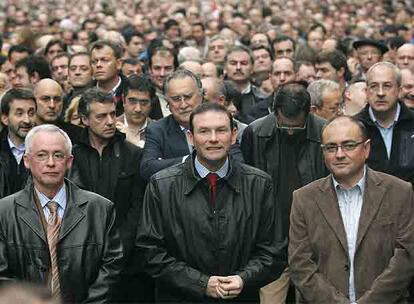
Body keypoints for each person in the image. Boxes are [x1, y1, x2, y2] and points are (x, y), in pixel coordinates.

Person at [136, 102, 285, 303]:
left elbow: (273, 251)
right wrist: (201, 284)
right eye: (204, 131)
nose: (213, 139)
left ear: (233, 135)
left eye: (221, 131)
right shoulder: (162, 185)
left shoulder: (259, 184)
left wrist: (243, 279)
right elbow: (150, 252)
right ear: (191, 137)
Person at [289, 115, 414, 303]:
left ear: (366, 148)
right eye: (331, 147)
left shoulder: (400, 192)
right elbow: (300, 264)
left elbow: (406, 257)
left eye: (348, 145)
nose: (339, 154)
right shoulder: (304, 199)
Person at [0, 124, 123, 303]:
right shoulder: (4, 212)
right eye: (41, 155)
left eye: (58, 155)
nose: (51, 163)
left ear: (69, 161)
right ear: (27, 160)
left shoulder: (100, 209)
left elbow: (111, 270)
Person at [242, 82, 328, 303]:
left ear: (308, 114)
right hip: (271, 241)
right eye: (284, 125)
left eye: (296, 127)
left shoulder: (324, 133)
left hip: (314, 240)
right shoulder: (256, 132)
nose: (290, 131)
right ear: (275, 111)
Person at [68, 87, 149, 302]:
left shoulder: (133, 154)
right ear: (85, 120)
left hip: (127, 260)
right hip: (82, 256)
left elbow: (138, 205)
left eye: (113, 114)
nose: (111, 121)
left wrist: (120, 245)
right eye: (101, 116)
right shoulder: (71, 156)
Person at [140, 69, 243, 181]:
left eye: (188, 97)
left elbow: (237, 163)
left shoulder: (221, 123)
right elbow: (148, 168)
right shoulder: (157, 130)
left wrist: (166, 162)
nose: (183, 105)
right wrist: (190, 160)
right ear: (167, 102)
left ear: (200, 96)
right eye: (176, 99)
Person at [354, 62, 414, 183]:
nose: (380, 93)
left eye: (387, 86)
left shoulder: (412, 123)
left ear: (399, 90)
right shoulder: (354, 127)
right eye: (374, 86)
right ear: (366, 91)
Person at [0, 88, 36, 196]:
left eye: (31, 113)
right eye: (19, 113)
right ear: (5, 118)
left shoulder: (46, 150)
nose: (27, 120)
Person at [116, 74, 154, 148]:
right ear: (123, 100)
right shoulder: (111, 128)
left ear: (151, 103)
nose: (138, 109)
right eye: (132, 101)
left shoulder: (160, 131)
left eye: (144, 103)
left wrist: (135, 142)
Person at [90, 40, 126, 116]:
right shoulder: (83, 95)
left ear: (119, 64)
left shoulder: (133, 91)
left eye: (104, 60)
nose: (98, 65)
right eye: (94, 61)